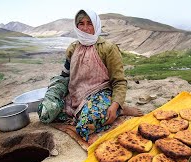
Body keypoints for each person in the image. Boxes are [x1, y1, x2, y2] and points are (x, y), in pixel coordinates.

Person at [57, 9, 143, 141]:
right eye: (81, 23)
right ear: (76, 26)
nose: (85, 28)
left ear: (96, 25)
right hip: (76, 95)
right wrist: (54, 94)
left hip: (100, 93)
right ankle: (86, 111)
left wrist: (115, 105)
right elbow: (65, 75)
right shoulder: (73, 48)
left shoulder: (107, 48)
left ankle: (120, 110)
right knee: (47, 113)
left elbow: (119, 81)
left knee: (84, 126)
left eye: (89, 23)